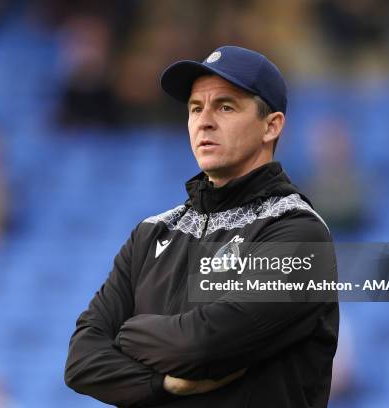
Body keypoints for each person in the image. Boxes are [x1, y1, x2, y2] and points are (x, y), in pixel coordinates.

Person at [65, 45, 339, 407]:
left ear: (271, 126)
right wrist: (163, 384)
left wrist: (125, 334)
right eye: (196, 108)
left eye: (225, 106)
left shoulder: (299, 234)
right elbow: (81, 362)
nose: (204, 121)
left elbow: (205, 344)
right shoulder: (151, 233)